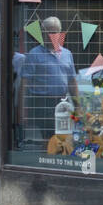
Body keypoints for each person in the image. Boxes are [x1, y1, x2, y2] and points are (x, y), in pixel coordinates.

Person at [18, 16, 79, 148]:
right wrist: (22, 110)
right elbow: (24, 83)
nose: (50, 35)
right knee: (50, 140)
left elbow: (72, 82)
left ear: (60, 33)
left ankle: (58, 163)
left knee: (64, 138)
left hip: (62, 102)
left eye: (54, 32)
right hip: (42, 102)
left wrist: (78, 105)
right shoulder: (34, 54)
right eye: (47, 32)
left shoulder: (67, 54)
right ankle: (47, 164)